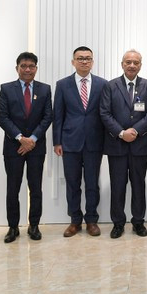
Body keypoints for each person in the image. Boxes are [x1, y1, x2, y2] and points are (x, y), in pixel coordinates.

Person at [100, 49, 147, 238]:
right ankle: (118, 223)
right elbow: (105, 113)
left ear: (140, 65)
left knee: (138, 184)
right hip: (117, 144)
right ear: (122, 64)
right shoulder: (110, 86)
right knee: (118, 184)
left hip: (140, 144)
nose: (132, 65)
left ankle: (138, 222)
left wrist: (135, 131)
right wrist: (122, 132)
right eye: (128, 62)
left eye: (136, 62)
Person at [0, 52, 53, 243]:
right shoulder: (6, 89)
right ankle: (13, 227)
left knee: (35, 187)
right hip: (14, 147)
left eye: (31, 66)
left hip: (36, 147)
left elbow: (47, 117)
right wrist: (21, 138)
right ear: (17, 68)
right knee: (12, 188)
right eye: (23, 65)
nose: (27, 69)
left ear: (36, 68)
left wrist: (33, 139)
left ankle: (34, 225)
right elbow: (2, 117)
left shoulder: (45, 89)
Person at [53, 46, 107, 237]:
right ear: (73, 61)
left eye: (88, 58)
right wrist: (57, 142)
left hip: (94, 141)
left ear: (92, 62)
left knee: (92, 183)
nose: (84, 61)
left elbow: (105, 114)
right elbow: (57, 115)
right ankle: (75, 220)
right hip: (69, 142)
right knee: (72, 183)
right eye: (80, 58)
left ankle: (91, 219)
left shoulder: (103, 84)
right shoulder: (62, 85)